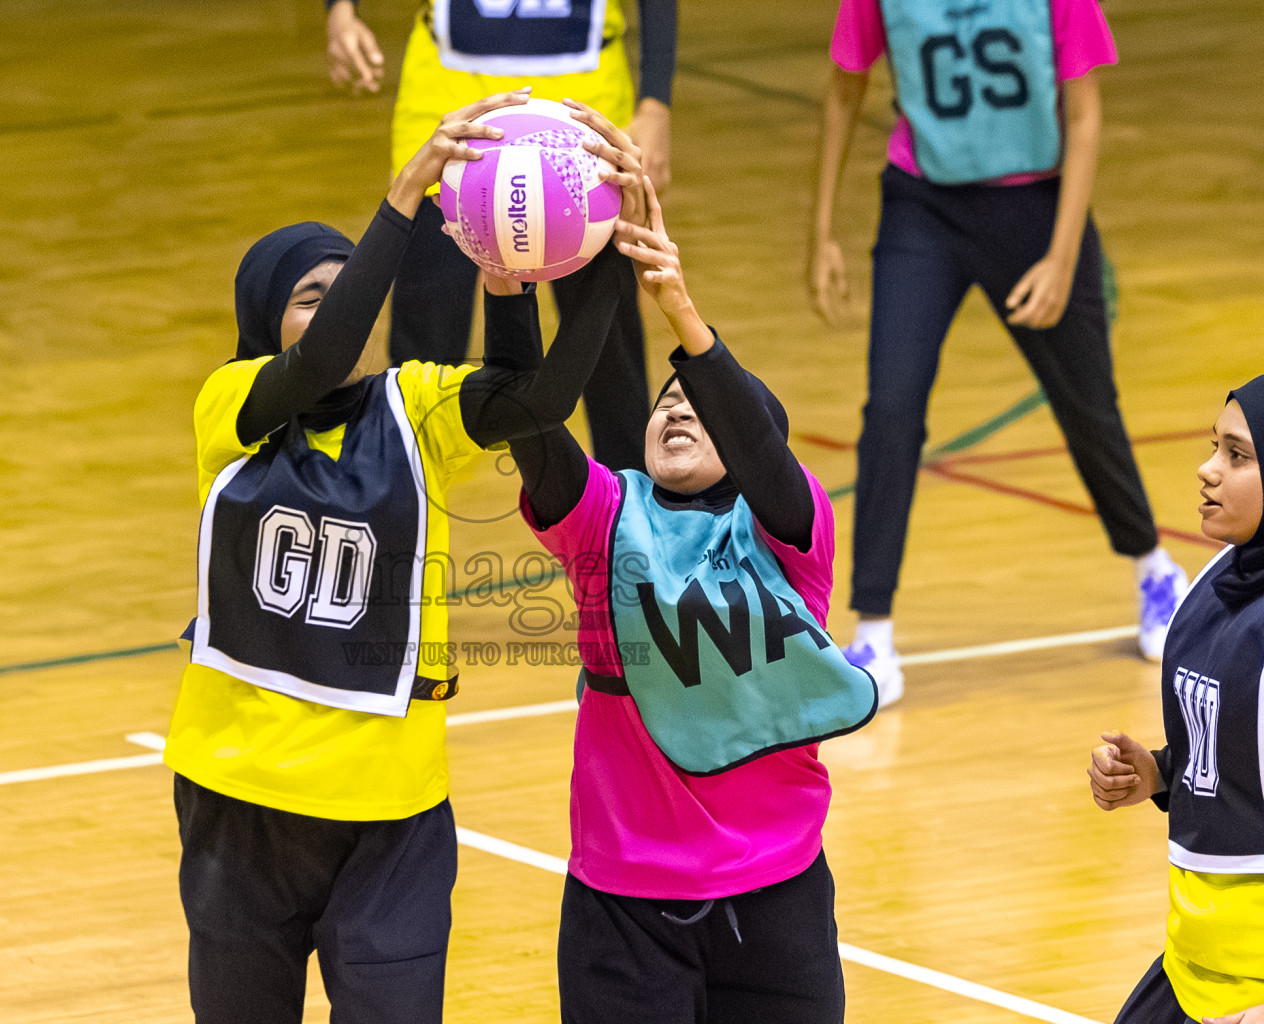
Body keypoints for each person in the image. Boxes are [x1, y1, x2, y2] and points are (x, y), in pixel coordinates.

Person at [163, 94, 643, 1024]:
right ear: (268, 322)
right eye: (315, 296)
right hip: (242, 797)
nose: (344, 314)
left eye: (352, 292)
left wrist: (562, 270)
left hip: (395, 812)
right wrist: (406, 199)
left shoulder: (416, 407)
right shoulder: (229, 410)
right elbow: (317, 362)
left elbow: (538, 398)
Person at [505, 178, 877, 1024]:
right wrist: (509, 291)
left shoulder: (789, 529)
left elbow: (758, 443)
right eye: (666, 401)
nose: (678, 406)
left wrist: (678, 308)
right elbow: (525, 418)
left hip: (777, 894)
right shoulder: (604, 515)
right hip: (622, 901)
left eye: (700, 403)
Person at [807, 0, 1188, 705]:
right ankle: (874, 633)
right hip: (924, 207)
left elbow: (1084, 116)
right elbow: (842, 90)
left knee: (1087, 406)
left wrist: (1062, 256)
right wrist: (822, 231)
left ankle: (1154, 568)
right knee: (891, 408)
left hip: (1037, 207)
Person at [322, 0, 679, 471]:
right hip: (449, 107)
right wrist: (340, 11)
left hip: (583, 118)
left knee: (609, 349)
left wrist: (655, 101)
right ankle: (401, 506)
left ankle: (637, 524)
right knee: (425, 348)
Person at [1087, 376, 1264, 1024]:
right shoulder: (1219, 578)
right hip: (1191, 969)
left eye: (1237, 456)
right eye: (1213, 447)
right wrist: (1161, 772)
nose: (1207, 470)